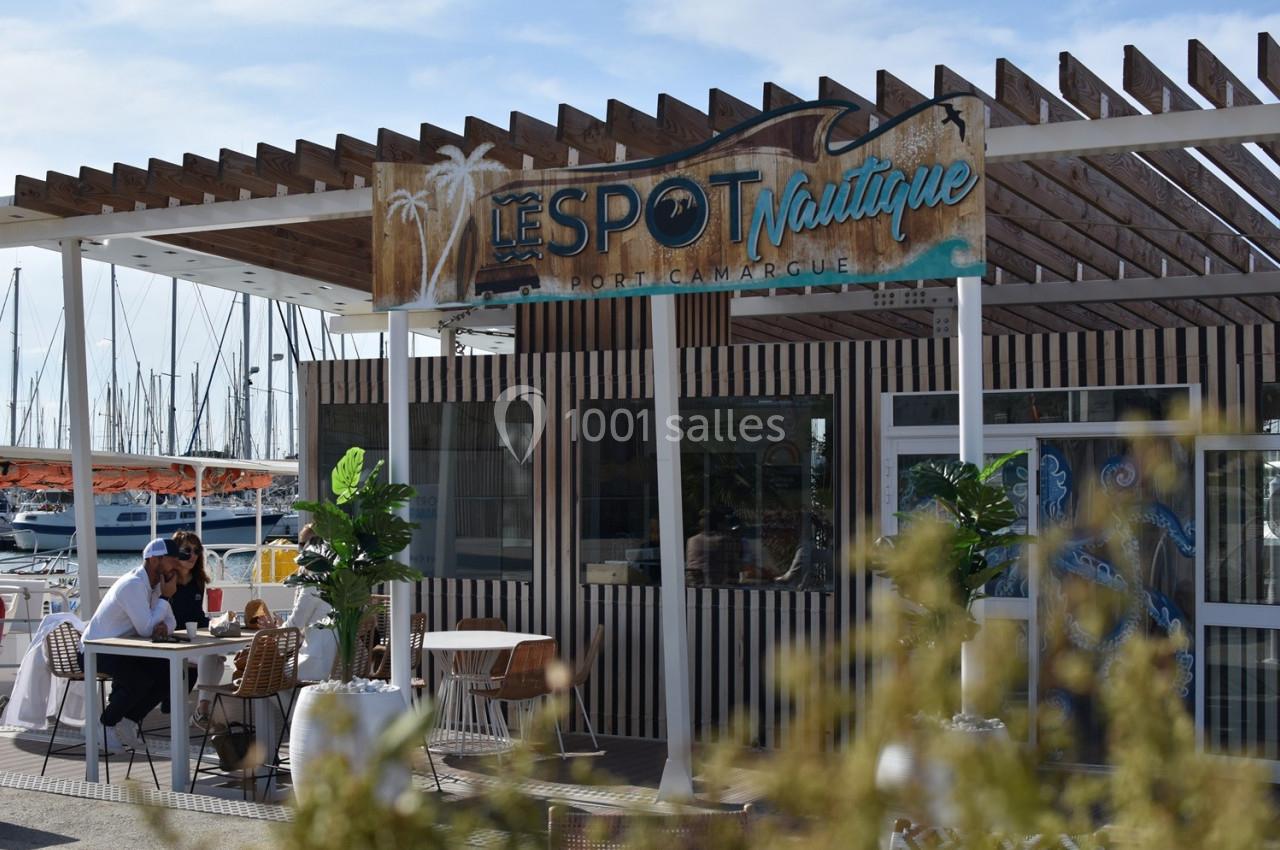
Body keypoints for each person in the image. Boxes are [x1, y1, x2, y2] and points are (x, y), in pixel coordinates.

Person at [82, 537, 184, 752]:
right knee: (139, 680)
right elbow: (146, 629)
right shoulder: (133, 585)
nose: (177, 565)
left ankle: (129, 720)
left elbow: (171, 622)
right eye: (173, 560)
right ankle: (106, 725)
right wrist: (165, 599)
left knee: (169, 674)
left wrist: (163, 626)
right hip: (94, 650)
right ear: (155, 560)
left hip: (121, 650)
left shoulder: (155, 585)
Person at [284, 524, 337, 682]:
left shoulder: (315, 578)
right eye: (301, 544)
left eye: (304, 544)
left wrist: (271, 634)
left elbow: (296, 623)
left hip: (317, 662)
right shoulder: (340, 573)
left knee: (266, 670)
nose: (303, 549)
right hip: (343, 661)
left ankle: (292, 702)